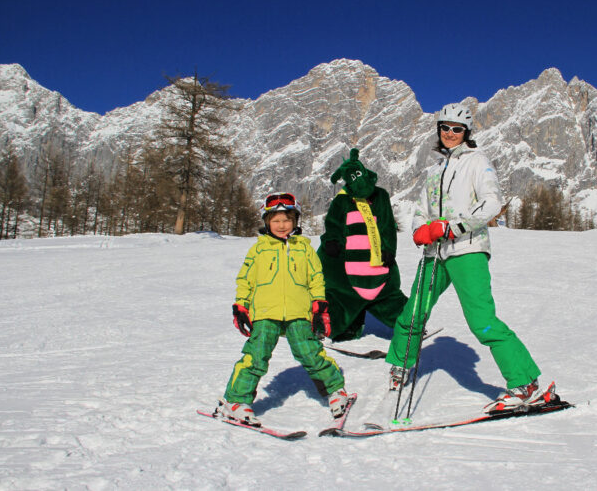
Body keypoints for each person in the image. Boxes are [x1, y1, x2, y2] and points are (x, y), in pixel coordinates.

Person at [384, 103, 543, 413]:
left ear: (466, 133)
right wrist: (421, 230)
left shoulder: (477, 162)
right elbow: (420, 210)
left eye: (457, 129)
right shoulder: (433, 171)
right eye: (445, 128)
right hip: (434, 253)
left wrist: (453, 227)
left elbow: (491, 204)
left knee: (482, 321)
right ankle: (400, 365)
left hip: (467, 250)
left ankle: (525, 383)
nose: (450, 134)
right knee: (413, 313)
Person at [217, 192, 350, 425]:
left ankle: (336, 390)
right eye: (276, 220)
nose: (281, 225)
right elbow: (245, 280)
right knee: (255, 357)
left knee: (310, 352)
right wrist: (241, 305)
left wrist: (319, 305)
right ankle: (235, 401)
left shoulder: (305, 249)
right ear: (267, 222)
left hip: (299, 312)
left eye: (287, 220)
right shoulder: (258, 250)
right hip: (265, 313)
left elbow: (316, 278)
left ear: (295, 221)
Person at [318, 148, 408, 341]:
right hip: (349, 266)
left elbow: (386, 226)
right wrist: (332, 240)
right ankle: (343, 327)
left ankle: (409, 324)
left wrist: (388, 249)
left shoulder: (380, 196)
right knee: (343, 297)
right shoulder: (342, 200)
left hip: (376, 265)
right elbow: (333, 223)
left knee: (387, 296)